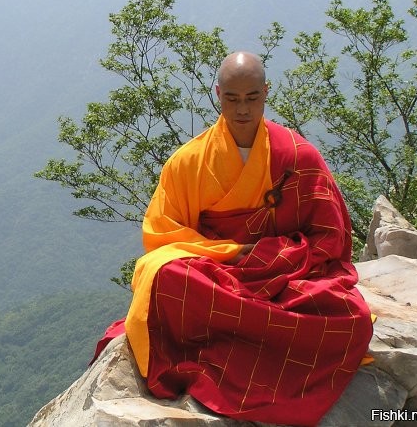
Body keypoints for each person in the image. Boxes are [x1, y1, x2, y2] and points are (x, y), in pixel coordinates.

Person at [94, 51, 373, 426]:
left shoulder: (298, 155)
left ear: (266, 92)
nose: (243, 109)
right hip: (221, 273)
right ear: (217, 94)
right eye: (232, 98)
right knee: (160, 273)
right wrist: (233, 252)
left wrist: (279, 256)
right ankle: (236, 343)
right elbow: (162, 233)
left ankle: (232, 342)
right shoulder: (188, 162)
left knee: (349, 315)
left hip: (285, 274)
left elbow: (331, 236)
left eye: (252, 98)